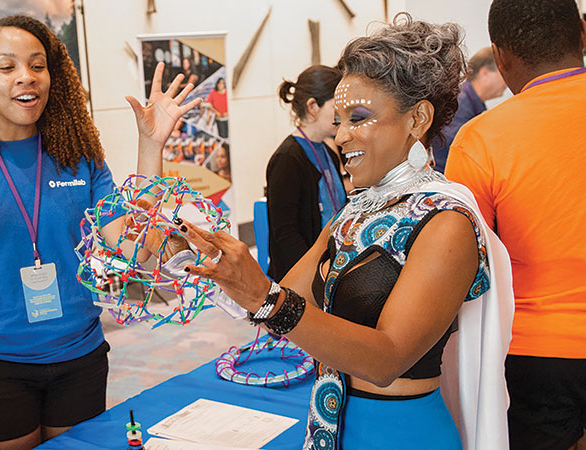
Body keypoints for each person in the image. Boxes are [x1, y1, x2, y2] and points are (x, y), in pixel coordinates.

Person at [166, 14, 514, 449]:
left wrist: (263, 297)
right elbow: (286, 306)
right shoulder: (353, 211)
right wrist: (218, 264)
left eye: (359, 118)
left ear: (417, 118)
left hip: (401, 434)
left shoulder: (447, 221)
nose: (342, 136)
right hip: (331, 427)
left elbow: (386, 358)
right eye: (340, 121)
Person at [0, 15, 198, 450]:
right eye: (7, 66)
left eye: (37, 65)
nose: (25, 78)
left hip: (80, 356)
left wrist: (151, 146)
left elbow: (133, 248)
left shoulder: (79, 158)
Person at [445, 1, 586, 449]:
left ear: (499, 58)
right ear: (583, 34)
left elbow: (461, 266)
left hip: (535, 354)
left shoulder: (481, 141)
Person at [266, 65, 347, 282]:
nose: (342, 116)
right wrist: (315, 275)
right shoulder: (288, 159)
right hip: (302, 279)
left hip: (328, 268)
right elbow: (285, 235)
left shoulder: (328, 150)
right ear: (313, 107)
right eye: (336, 107)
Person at [431, 47, 507, 173]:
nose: (506, 81)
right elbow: (449, 147)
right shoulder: (459, 103)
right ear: (485, 73)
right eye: (502, 73)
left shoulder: (469, 102)